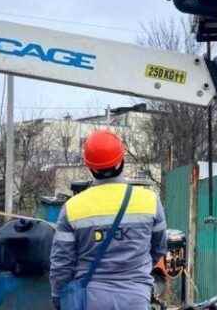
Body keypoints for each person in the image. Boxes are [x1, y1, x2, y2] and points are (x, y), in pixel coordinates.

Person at [50, 130, 168, 310]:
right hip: (135, 299)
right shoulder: (150, 201)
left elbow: (62, 265)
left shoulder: (72, 208)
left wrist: (58, 298)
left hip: (89, 300)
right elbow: (159, 248)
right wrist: (134, 271)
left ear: (91, 167)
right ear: (121, 160)